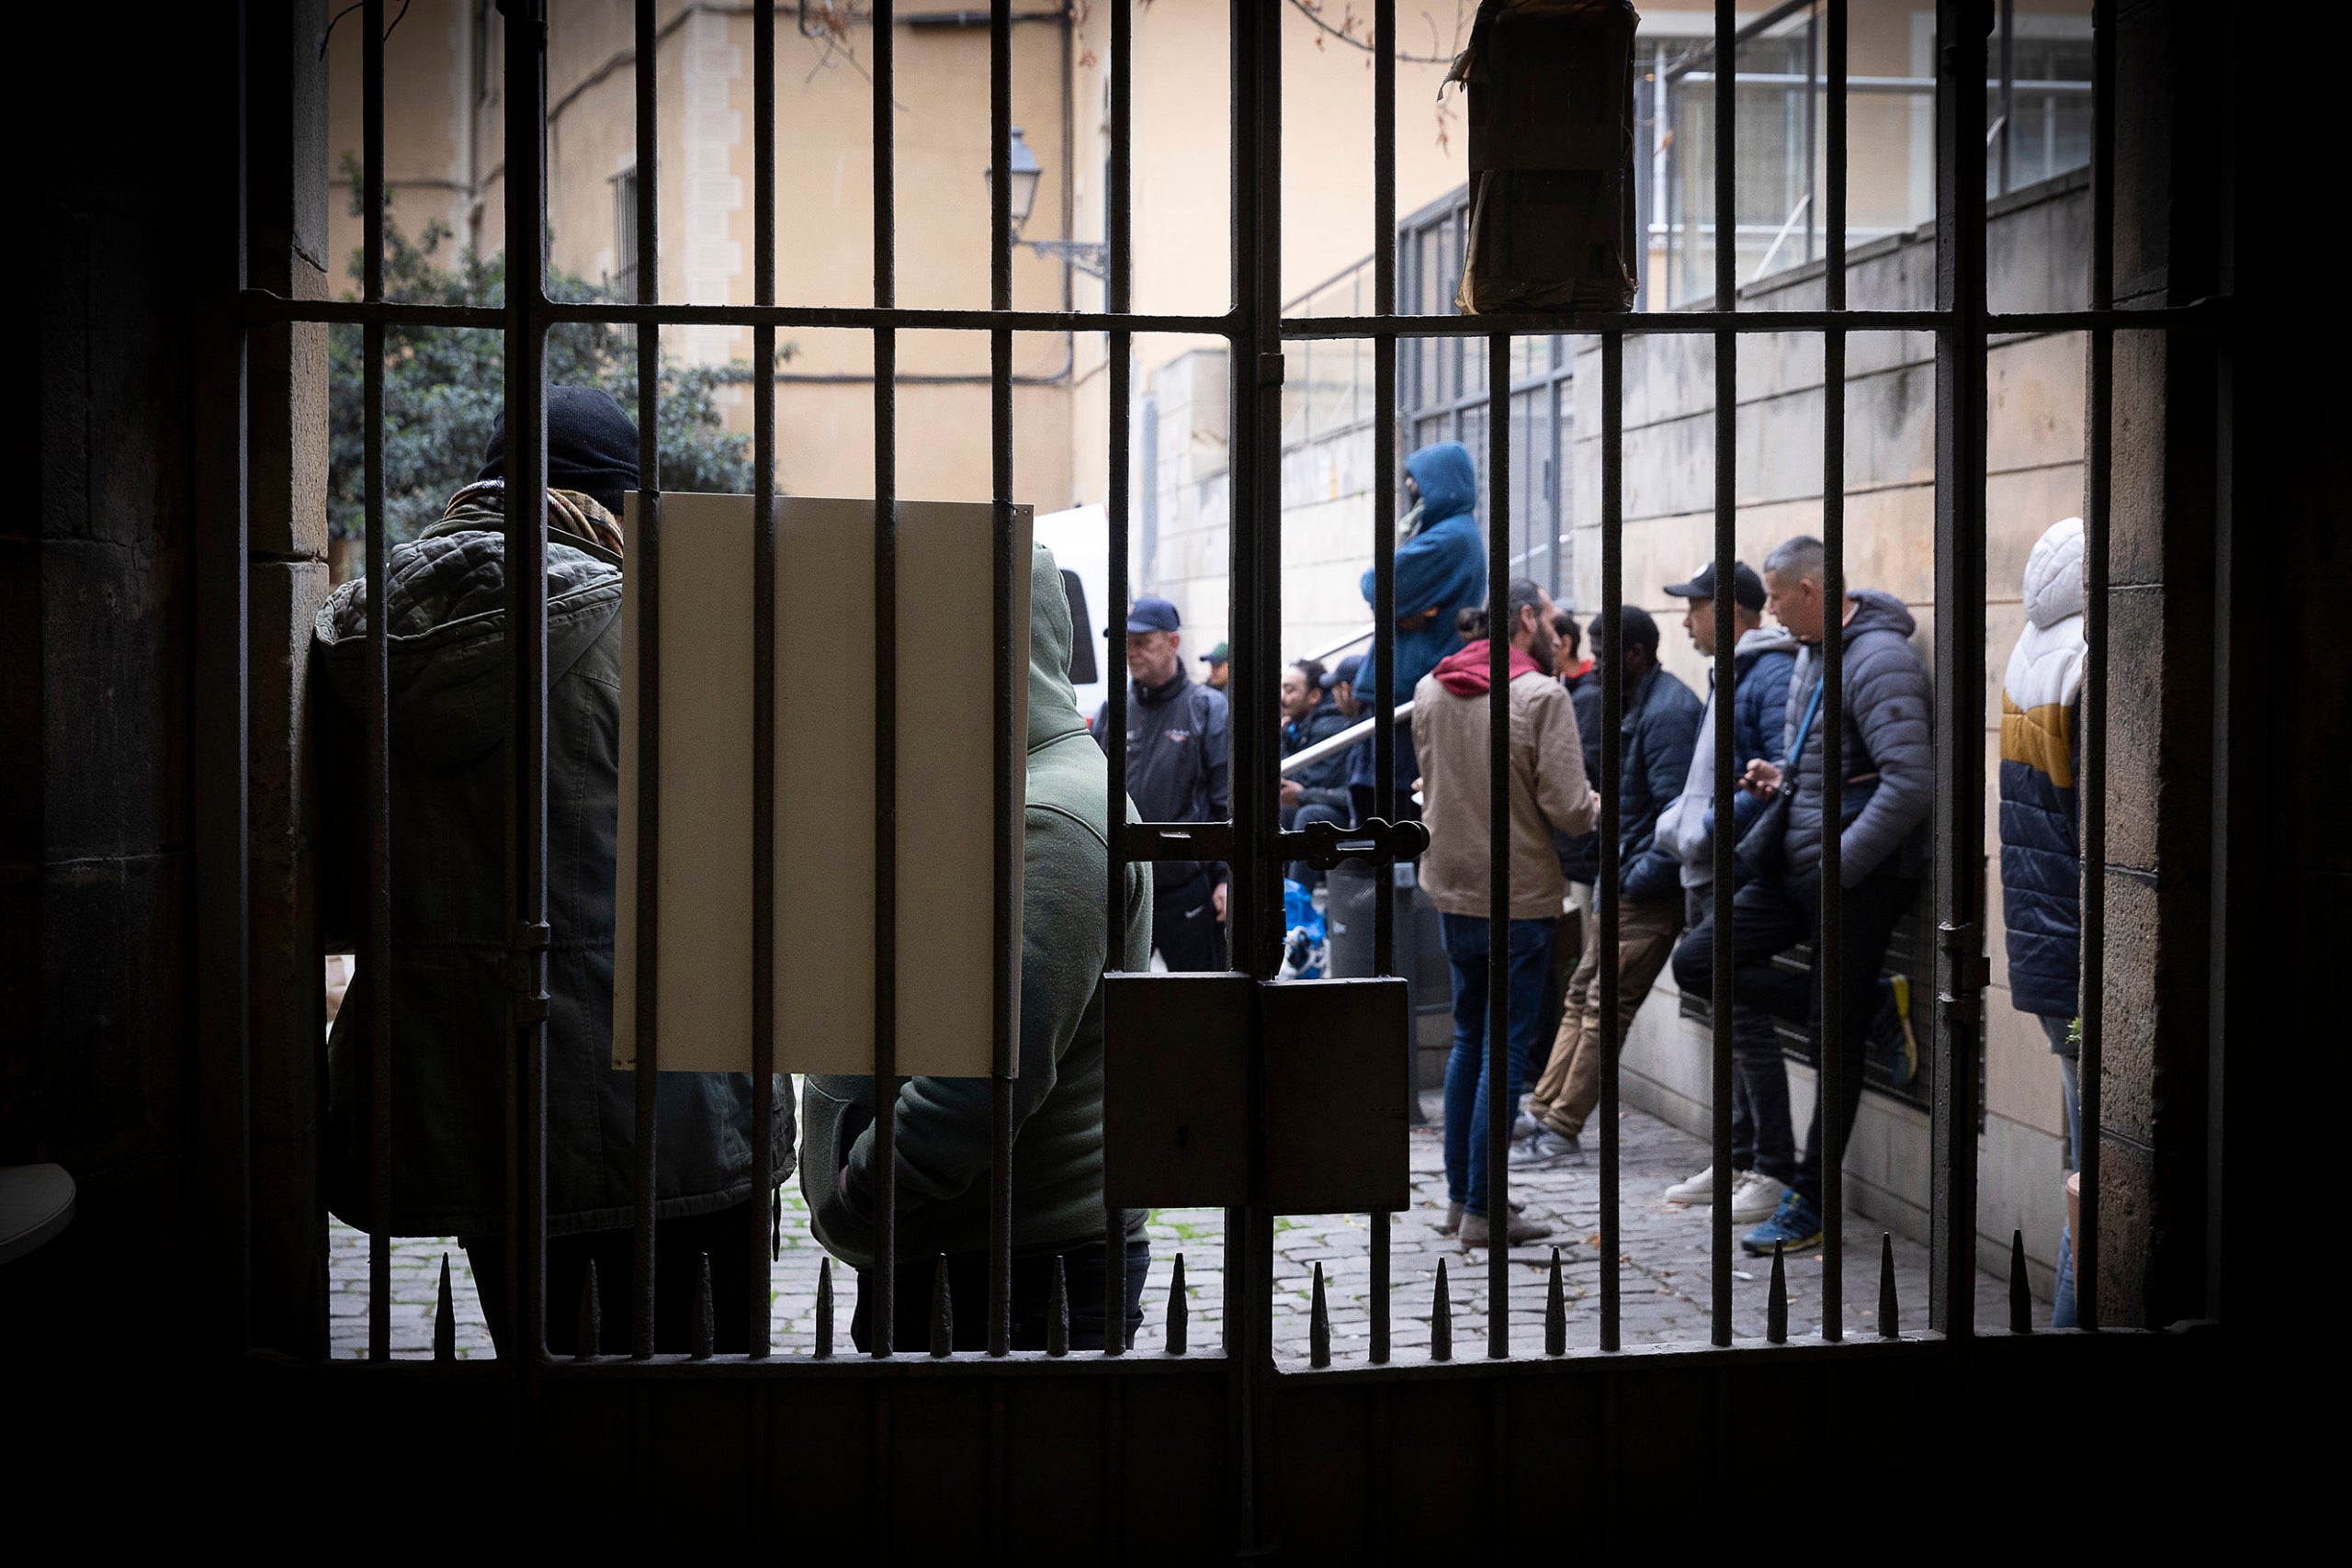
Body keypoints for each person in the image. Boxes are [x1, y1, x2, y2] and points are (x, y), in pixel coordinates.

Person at [313, 386, 792, 1357]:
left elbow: (326, 886)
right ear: (614, 501)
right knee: (705, 1419)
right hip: (671, 1111)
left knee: (550, 1396)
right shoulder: (659, 635)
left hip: (478, 1114)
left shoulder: (354, 638)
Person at [805, 539, 1156, 1351]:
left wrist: (865, 1188)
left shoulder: (1051, 817)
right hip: (968, 1247)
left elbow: (986, 1072)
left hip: (1013, 1266)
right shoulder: (1001, 785)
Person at [1670, 536, 1933, 1255]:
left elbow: (1911, 784)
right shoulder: (1814, 654)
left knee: (1829, 1036)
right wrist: (1777, 777)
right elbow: (1822, 766)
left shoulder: (1878, 659)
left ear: (1811, 592)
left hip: (1855, 874)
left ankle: (1813, 1202)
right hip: (1800, 859)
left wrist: (1840, 865)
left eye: (1778, 598)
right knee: (1700, 962)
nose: (1771, 613)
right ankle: (1873, 1002)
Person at [1413, 578, 1600, 1247]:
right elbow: (1571, 809)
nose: (1558, 630)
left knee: (1470, 1038)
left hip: (1452, 888)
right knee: (1506, 1046)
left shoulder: (1432, 688)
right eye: (1550, 618)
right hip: (1517, 895)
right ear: (1525, 619)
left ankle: (1462, 1199)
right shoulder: (1540, 695)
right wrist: (1602, 802)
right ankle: (1487, 1209)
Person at [1519, 605, 1702, 1167]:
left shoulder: (1668, 711)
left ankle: (1559, 1129)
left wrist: (1634, 876)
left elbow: (1678, 817)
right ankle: (1545, 1112)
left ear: (1636, 654)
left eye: (1603, 652)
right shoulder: (1637, 701)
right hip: (1620, 876)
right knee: (1582, 994)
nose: (1593, 665)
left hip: (1643, 886)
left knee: (1604, 1004)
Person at [1649, 558, 1799, 1219]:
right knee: (1729, 1024)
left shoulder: (1764, 672)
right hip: (1708, 866)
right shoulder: (1730, 673)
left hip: (1734, 867)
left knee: (1747, 1023)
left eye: (1695, 607)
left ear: (1732, 610)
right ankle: (1739, 1156)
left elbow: (1779, 777)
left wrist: (1713, 826)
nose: (1686, 621)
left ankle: (1772, 1168)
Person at [1996, 517, 2087, 1327]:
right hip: (2083, 957)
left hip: (2045, 951)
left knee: (2084, 1167)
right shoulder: (2090, 657)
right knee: (2102, 1178)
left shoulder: (2033, 647)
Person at [1091, 596, 1229, 971]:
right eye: (1124, 643)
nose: (1130, 653)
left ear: (1172, 643)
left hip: (1187, 890)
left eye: (1141, 642)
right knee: (1117, 1010)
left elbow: (1226, 802)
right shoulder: (1113, 709)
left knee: (1199, 1006)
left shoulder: (1207, 708)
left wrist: (1226, 879)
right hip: (1124, 891)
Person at [1352, 441, 1488, 815]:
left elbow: (1374, 583)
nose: (1412, 490)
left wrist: (1391, 606)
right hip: (1402, 685)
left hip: (1405, 690)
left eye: (1418, 482)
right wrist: (1397, 611)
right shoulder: (1450, 534)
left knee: (1389, 813)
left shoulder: (1449, 538)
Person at [1281, 657, 1355, 886]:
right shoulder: (1300, 724)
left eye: (1290, 689)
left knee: (1308, 816)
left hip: (1344, 809)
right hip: (1330, 800)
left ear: (1314, 696)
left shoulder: (1329, 726)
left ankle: (1295, 902)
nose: (1281, 697)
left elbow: (1305, 781)